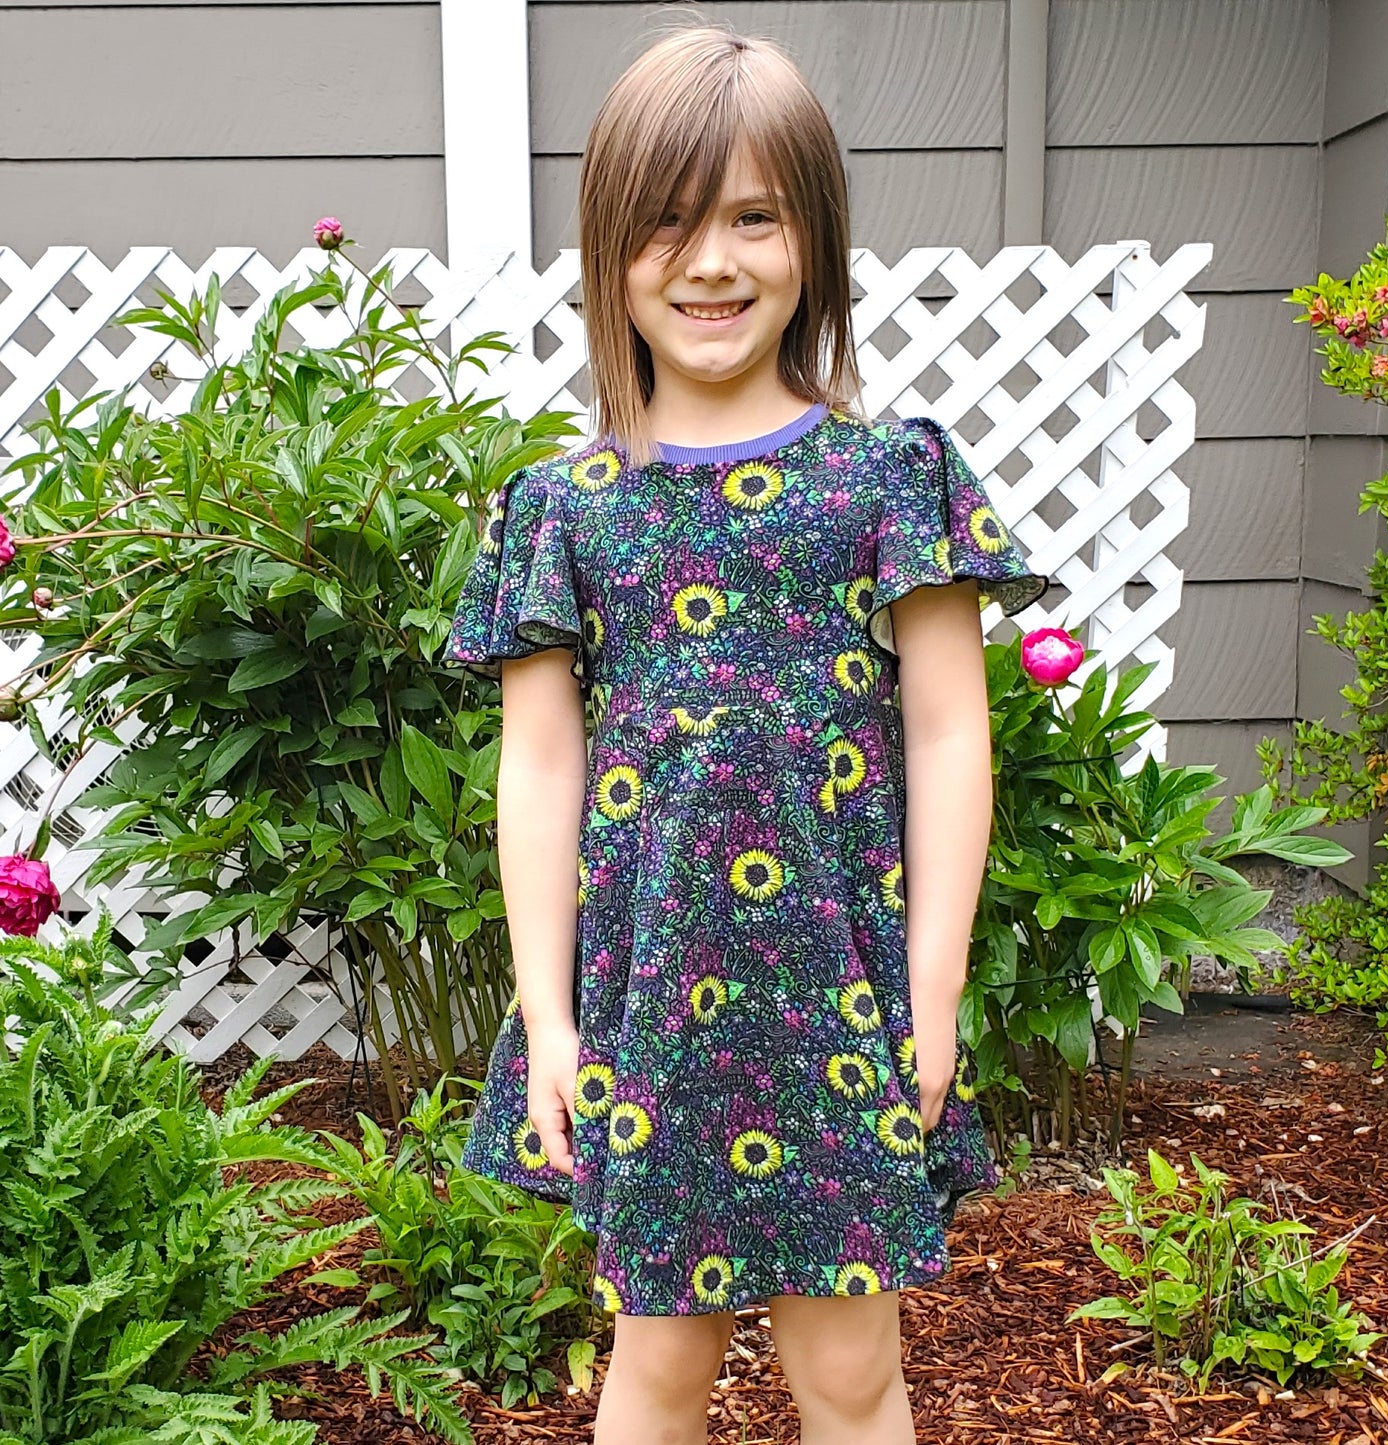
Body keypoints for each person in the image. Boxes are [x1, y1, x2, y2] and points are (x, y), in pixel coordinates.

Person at [441, 20, 1050, 1444]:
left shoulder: (888, 479)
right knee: (655, 1373)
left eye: (754, 218)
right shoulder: (566, 508)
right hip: (653, 1008)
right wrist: (545, 1014)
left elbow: (948, 735)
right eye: (667, 221)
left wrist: (935, 989)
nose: (710, 261)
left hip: (841, 1004)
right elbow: (540, 765)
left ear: (814, 239)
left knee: (848, 1375)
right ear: (609, 249)